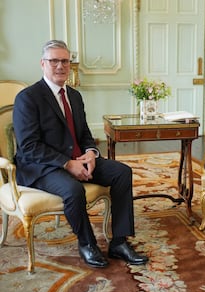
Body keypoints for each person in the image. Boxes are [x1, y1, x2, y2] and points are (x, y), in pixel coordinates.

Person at [13, 40, 148, 268]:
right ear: (42, 64)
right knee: (73, 190)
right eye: (54, 61)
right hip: (42, 166)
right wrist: (67, 164)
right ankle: (87, 244)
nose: (60, 66)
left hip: (76, 159)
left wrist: (91, 154)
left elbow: (84, 133)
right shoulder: (28, 98)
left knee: (122, 172)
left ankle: (119, 241)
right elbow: (29, 146)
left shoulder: (74, 96)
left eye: (65, 61)